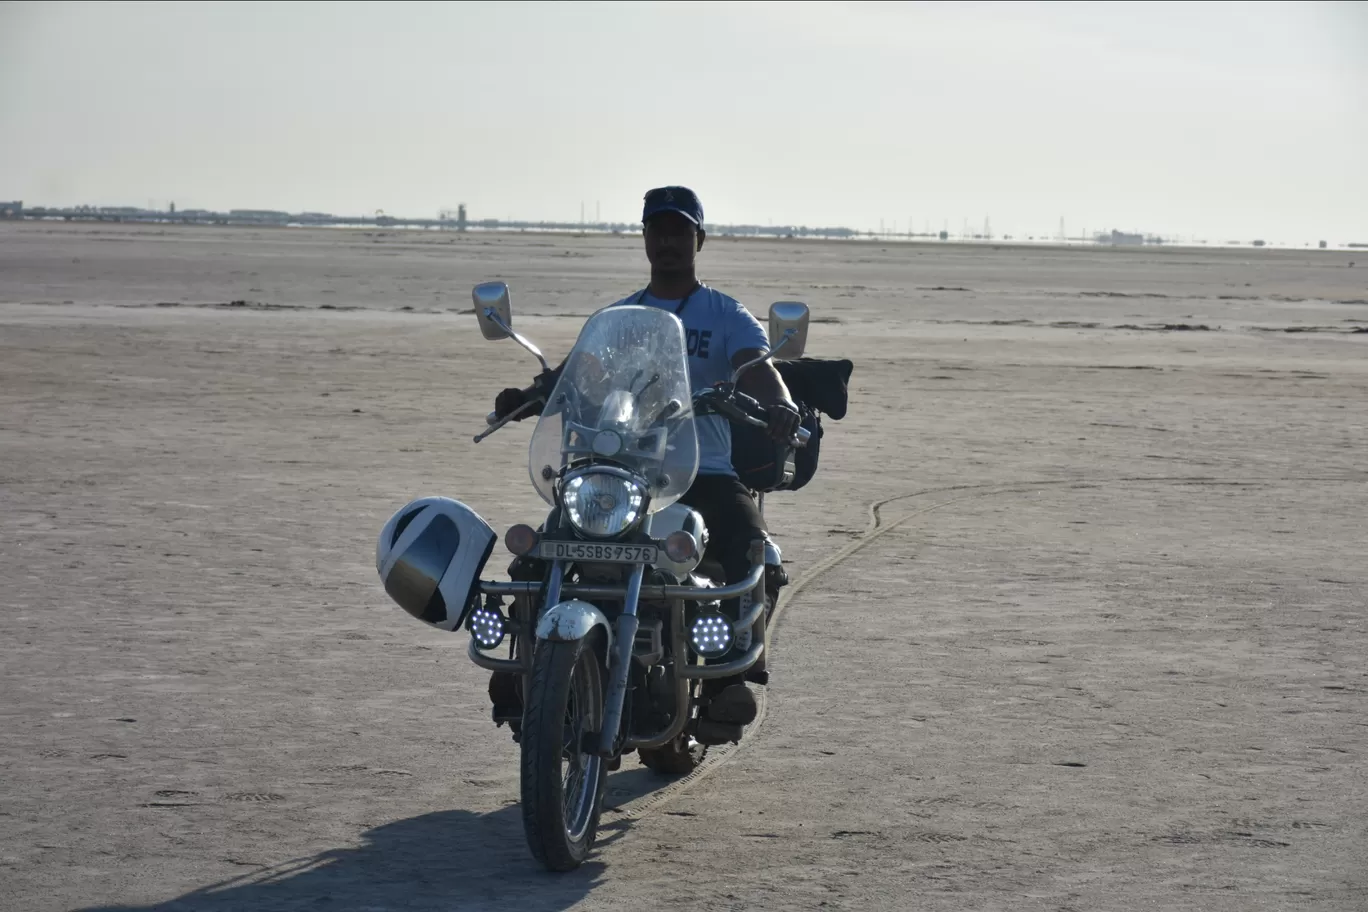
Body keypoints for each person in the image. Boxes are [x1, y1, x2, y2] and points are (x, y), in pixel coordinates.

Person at [491, 186, 802, 745]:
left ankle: (731, 672)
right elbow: (574, 374)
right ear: (643, 237)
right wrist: (530, 394)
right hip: (620, 474)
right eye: (658, 229)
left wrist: (779, 403)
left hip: (702, 472)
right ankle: (524, 670)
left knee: (754, 551)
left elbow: (758, 368)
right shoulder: (622, 316)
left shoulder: (725, 314)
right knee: (541, 553)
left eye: (680, 230)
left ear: (699, 239)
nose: (668, 240)